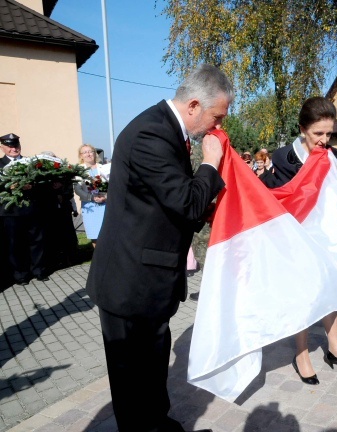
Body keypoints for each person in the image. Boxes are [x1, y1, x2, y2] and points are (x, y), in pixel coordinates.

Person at [85, 64, 233, 432]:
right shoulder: (152, 133)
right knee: (132, 379)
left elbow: (170, 208)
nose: (216, 127)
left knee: (151, 367)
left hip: (148, 279)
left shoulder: (167, 129)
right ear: (195, 105)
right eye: (216, 116)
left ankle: (156, 422)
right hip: (130, 283)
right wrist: (210, 163)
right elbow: (185, 202)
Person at [261, 96, 337, 385]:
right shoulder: (283, 157)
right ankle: (302, 353)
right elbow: (269, 197)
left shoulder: (331, 154)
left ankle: (335, 347)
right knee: (303, 296)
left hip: (329, 239)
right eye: (318, 133)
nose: (324, 140)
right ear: (303, 128)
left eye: (329, 134)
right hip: (298, 240)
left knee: (332, 287)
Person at [0, 133, 48, 284]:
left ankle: (38, 270)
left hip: (32, 209)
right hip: (11, 211)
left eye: (16, 145)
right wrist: (10, 187)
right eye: (10, 146)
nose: (14, 148)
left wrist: (32, 186)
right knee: (15, 244)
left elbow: (43, 181)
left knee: (37, 240)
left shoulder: (30, 162)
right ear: (2, 147)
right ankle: (20, 274)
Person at [73, 144, 109, 248]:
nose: (88, 154)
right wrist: (91, 197)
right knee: (95, 234)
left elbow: (112, 185)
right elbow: (78, 189)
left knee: (108, 233)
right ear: (81, 156)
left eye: (90, 151)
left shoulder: (104, 167)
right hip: (90, 207)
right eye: (85, 152)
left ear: (94, 153)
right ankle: (100, 259)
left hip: (105, 204)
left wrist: (105, 197)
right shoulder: (79, 170)